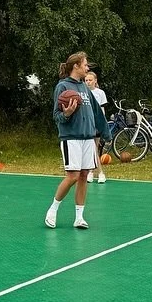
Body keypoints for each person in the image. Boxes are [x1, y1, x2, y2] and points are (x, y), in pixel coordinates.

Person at [46, 52, 106, 229]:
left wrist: (105, 133)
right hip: (71, 138)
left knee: (83, 175)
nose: (87, 68)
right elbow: (56, 116)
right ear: (76, 66)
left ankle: (79, 217)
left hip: (88, 138)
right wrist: (67, 113)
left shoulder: (85, 88)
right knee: (72, 176)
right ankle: (52, 209)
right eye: (85, 64)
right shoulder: (63, 87)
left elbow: (97, 112)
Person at [84, 70, 108, 184]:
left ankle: (100, 173)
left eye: (90, 80)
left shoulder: (100, 93)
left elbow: (102, 111)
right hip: (85, 125)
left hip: (96, 125)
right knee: (89, 150)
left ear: (95, 81)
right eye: (86, 80)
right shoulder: (83, 92)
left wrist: (102, 125)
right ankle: (91, 172)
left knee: (95, 148)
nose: (88, 82)